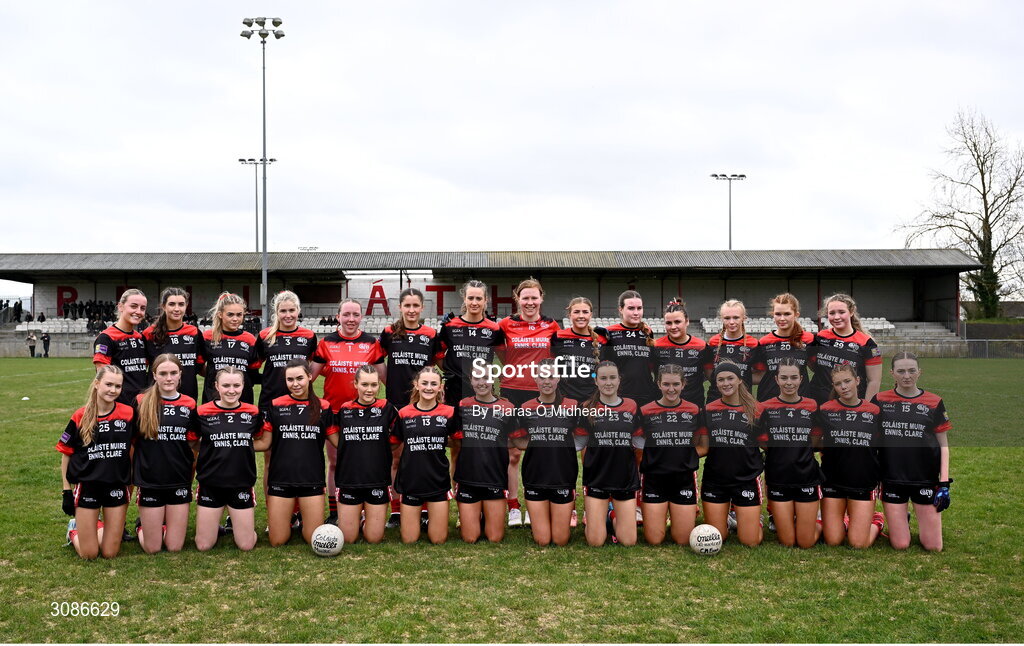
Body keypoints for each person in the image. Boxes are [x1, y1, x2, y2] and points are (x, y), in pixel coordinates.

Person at [311, 298, 385, 525]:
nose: (351, 319)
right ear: (338, 316)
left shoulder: (372, 343)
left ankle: (363, 509)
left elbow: (385, 378)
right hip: (335, 413)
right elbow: (309, 378)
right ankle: (335, 511)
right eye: (346, 315)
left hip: (366, 414)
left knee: (365, 462)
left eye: (355, 315)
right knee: (335, 463)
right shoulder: (326, 343)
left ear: (361, 317)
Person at [497, 278, 560, 527]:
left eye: (534, 297)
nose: (530, 302)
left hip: (542, 394)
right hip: (512, 392)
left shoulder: (552, 325)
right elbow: (502, 355)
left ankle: (540, 500)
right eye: (525, 298)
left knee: (541, 450)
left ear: (541, 298)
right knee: (512, 453)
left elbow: (555, 357)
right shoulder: (505, 325)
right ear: (517, 299)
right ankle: (513, 506)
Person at [874, 352, 952, 551]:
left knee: (933, 546)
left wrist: (943, 483)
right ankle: (889, 519)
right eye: (900, 371)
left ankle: (907, 517)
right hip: (892, 478)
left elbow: (944, 445)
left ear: (919, 372)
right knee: (900, 545)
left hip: (924, 478)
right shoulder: (880, 400)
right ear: (892, 373)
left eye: (911, 371)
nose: (906, 375)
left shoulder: (934, 402)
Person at [56, 366, 134, 559]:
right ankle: (74, 530)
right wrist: (66, 491)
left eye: (117, 386)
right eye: (108, 384)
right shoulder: (80, 416)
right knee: (89, 554)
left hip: (116, 485)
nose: (113, 390)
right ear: (97, 384)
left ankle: (95, 526)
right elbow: (66, 454)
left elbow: (134, 447)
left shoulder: (129, 413)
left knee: (110, 553)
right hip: (88, 486)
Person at [378, 288, 439, 528]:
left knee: (421, 456)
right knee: (396, 457)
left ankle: (423, 509)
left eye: (416, 306)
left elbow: (433, 367)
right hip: (396, 404)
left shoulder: (431, 334)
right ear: (400, 308)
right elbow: (377, 361)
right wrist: (390, 382)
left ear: (422, 308)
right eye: (407, 306)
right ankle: (395, 510)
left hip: (424, 405)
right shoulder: (389, 332)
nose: (412, 310)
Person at [261, 359, 337, 547]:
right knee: (277, 541)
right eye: (290, 379)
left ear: (310, 377)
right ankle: (292, 517)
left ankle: (305, 518)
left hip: (311, 481)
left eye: (300, 378)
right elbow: (265, 443)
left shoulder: (323, 406)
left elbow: (339, 442)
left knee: (312, 538)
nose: (295, 384)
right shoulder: (276, 405)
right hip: (281, 480)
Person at [189, 366, 264, 552]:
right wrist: (214, 446)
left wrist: (236, 443)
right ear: (216, 386)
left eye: (236, 385)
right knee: (204, 545)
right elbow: (192, 443)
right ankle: (216, 526)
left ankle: (237, 524)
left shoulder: (253, 413)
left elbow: (262, 441)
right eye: (226, 385)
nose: (232, 390)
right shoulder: (201, 412)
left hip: (241, 483)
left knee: (246, 545)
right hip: (211, 483)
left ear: (243, 386)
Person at [258, 291, 319, 505]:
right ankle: (272, 510)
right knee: (270, 458)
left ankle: (298, 509)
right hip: (271, 404)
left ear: (298, 311)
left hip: (301, 404)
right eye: (283, 311)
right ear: (276, 312)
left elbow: (312, 367)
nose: (287, 315)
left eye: (291, 310)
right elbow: (254, 367)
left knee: (299, 454)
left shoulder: (309, 336)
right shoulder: (266, 336)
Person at [132, 354, 197, 554]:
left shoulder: (190, 404)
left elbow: (193, 445)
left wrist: (189, 478)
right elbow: (132, 443)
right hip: (150, 480)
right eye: (163, 373)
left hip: (178, 480)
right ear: (154, 375)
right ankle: (141, 526)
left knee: (174, 547)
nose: (168, 378)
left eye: (173, 373)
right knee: (152, 548)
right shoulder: (141, 401)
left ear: (180, 375)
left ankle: (162, 525)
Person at [514, 358, 582, 546]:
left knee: (560, 540)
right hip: (535, 477)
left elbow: (582, 436)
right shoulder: (526, 408)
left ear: (558, 378)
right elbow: (520, 442)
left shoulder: (572, 406)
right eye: (542, 376)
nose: (546, 381)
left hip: (562, 476)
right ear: (535, 379)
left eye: (551, 376)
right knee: (542, 541)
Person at [816, 363, 885, 548]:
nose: (843, 387)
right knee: (833, 540)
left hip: (863, 481)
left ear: (857, 380)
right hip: (833, 481)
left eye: (847, 381)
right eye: (838, 384)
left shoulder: (874, 411)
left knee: (858, 543)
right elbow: (815, 443)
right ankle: (847, 522)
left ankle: (877, 520)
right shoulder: (825, 410)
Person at [329, 364, 398, 545]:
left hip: (377, 479)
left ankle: (366, 519)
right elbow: (331, 432)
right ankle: (355, 518)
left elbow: (398, 436)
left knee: (373, 538)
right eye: (364, 384)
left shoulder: (387, 408)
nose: (369, 390)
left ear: (379, 386)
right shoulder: (345, 409)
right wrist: (345, 447)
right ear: (356, 384)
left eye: (374, 385)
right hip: (349, 480)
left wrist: (382, 447)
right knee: (349, 539)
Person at [638, 364, 706, 546]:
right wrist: (656, 456)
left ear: (684, 384)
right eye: (666, 384)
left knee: (683, 540)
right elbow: (637, 443)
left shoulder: (694, 410)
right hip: (654, 478)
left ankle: (677, 516)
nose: (671, 389)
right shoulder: (645, 411)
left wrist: (683, 456)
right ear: (659, 384)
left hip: (683, 477)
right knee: (654, 539)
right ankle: (662, 517)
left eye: (676, 384)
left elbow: (701, 445)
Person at [699, 362, 764, 547]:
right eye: (721, 380)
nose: (725, 383)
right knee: (717, 537)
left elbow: (765, 443)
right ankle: (727, 520)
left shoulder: (757, 409)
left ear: (740, 380)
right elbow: (703, 446)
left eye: (730, 378)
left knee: (750, 541)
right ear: (716, 384)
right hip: (715, 478)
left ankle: (753, 521)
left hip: (746, 478)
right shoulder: (709, 410)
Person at [758, 358, 822, 549]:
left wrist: (797, 448)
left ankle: (821, 523)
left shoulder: (812, 406)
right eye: (784, 377)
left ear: (801, 379)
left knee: (805, 542)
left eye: (794, 377)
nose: (789, 382)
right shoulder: (766, 407)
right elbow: (762, 441)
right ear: (776, 379)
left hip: (806, 477)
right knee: (787, 541)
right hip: (778, 478)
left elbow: (816, 439)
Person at [577, 361, 641, 547]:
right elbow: (579, 442)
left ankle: (612, 513)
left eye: (612, 377)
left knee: (628, 541)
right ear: (595, 381)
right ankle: (601, 516)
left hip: (624, 478)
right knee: (595, 542)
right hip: (597, 478)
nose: (608, 382)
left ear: (619, 380)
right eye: (603, 378)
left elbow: (639, 441)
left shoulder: (631, 405)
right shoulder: (586, 407)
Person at [391, 366, 457, 544]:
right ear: (416, 385)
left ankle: (431, 517)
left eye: (434, 384)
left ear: (440, 387)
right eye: (425, 383)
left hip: (438, 481)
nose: (429, 387)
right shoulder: (404, 413)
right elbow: (393, 444)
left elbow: (458, 442)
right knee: (409, 540)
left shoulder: (449, 412)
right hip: (411, 482)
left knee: (438, 540)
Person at [453, 374, 517, 543]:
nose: (482, 383)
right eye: (476, 378)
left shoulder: (507, 407)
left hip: (494, 478)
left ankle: (484, 514)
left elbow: (515, 439)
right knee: (470, 538)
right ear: (471, 381)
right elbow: (454, 438)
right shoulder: (462, 405)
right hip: (468, 478)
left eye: (486, 377)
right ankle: (473, 516)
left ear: (494, 380)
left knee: (494, 538)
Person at [807, 293, 882, 404]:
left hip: (851, 406)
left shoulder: (868, 343)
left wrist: (866, 407)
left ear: (851, 312)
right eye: (832, 313)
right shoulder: (819, 338)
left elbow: (874, 381)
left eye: (841, 312)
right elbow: (814, 366)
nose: (836, 317)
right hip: (819, 403)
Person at [200, 292, 264, 405]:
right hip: (213, 399)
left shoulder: (249, 339)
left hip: (243, 401)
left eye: (239, 315)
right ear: (220, 314)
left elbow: (253, 373)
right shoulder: (207, 337)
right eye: (230, 314)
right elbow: (198, 367)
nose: (235, 319)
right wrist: (216, 375)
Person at [142, 287, 203, 400]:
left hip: (187, 398)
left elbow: (200, 366)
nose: (176, 309)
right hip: (157, 398)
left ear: (186, 306)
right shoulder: (149, 334)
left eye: (181, 304)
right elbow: (141, 369)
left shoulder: (194, 332)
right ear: (163, 306)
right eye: (171, 304)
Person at [601, 290, 658, 407]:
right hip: (619, 395)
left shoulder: (647, 332)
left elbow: (651, 366)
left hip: (646, 395)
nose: (636, 312)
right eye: (631, 308)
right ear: (620, 309)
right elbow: (600, 366)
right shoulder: (609, 332)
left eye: (639, 308)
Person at [93, 289, 150, 405]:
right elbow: (102, 376)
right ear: (120, 306)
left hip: (142, 404)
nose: (138, 311)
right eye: (133, 306)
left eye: (142, 308)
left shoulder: (140, 338)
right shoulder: (106, 338)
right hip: (120, 405)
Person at [754, 293, 814, 402]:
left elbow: (816, 369)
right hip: (769, 402)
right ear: (773, 315)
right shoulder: (763, 342)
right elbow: (760, 375)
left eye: (787, 314)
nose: (782, 318)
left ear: (796, 314)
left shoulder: (808, 339)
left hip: (801, 403)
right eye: (778, 314)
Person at [651, 299, 708, 406]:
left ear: (687, 321)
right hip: (662, 407)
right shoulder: (656, 346)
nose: (673, 327)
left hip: (694, 406)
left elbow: (710, 377)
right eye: (668, 323)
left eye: (677, 322)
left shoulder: (702, 346)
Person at [550, 296, 606, 403]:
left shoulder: (601, 340)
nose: (581, 316)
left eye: (585, 312)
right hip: (564, 400)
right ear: (569, 314)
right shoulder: (558, 337)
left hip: (591, 400)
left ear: (591, 314)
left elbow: (599, 373)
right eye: (576, 312)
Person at [704, 299, 760, 403]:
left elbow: (760, 373)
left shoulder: (753, 344)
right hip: (715, 399)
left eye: (736, 317)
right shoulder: (713, 342)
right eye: (727, 318)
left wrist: (741, 380)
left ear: (744, 318)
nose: (731, 322)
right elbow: (709, 371)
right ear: (721, 319)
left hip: (743, 400)